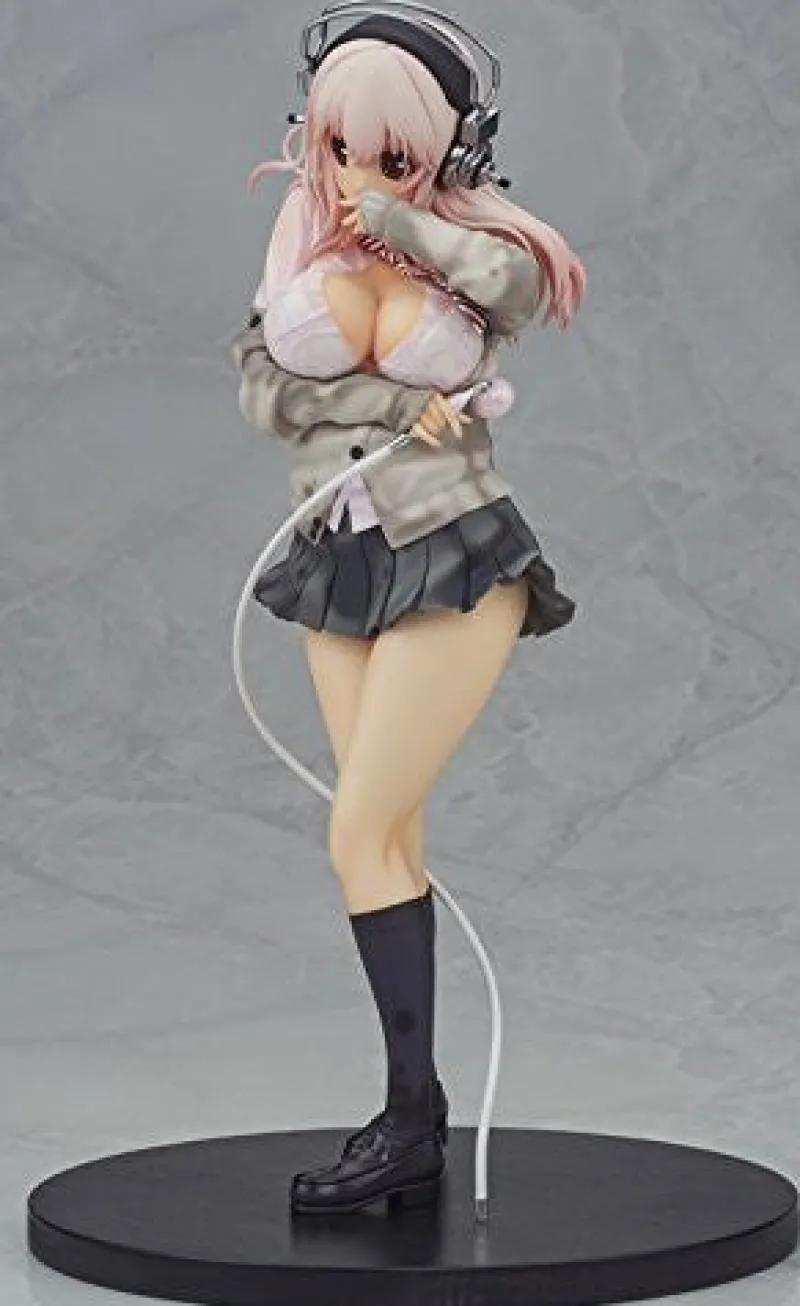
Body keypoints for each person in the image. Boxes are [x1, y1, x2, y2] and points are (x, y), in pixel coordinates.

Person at [230, 14, 586, 1216]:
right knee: (388, 836)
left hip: (450, 553)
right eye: (342, 148)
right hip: (334, 559)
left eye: (392, 152)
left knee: (358, 830)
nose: (355, 175)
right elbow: (263, 391)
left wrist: (401, 214)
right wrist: (387, 407)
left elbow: (516, 292)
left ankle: (407, 1117)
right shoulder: (298, 245)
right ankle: (410, 1123)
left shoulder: (472, 247)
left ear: (448, 148)